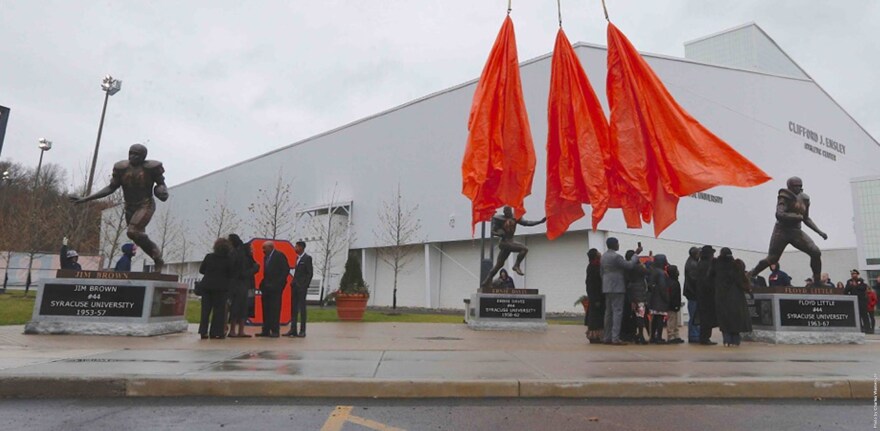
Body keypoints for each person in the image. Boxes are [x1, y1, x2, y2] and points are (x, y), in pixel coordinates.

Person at [70, 144, 169, 271]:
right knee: (135, 236)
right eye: (131, 153)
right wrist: (86, 198)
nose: (133, 156)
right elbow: (111, 188)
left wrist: (161, 191)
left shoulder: (151, 168)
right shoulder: (121, 168)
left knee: (133, 231)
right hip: (129, 206)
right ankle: (156, 257)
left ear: (144, 157)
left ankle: (157, 256)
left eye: (137, 154)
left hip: (145, 204)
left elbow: (161, 184)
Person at [749, 177, 827, 286]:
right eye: (796, 186)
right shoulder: (784, 197)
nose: (799, 188)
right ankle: (751, 275)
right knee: (773, 258)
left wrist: (819, 231)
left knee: (815, 252)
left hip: (796, 231)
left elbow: (806, 218)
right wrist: (795, 217)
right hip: (782, 231)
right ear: (789, 187)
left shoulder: (805, 199)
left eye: (800, 186)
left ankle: (817, 282)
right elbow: (779, 214)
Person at [481, 206, 546, 286]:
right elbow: (493, 231)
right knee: (524, 249)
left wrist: (539, 222)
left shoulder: (515, 218)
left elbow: (527, 223)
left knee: (499, 265)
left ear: (511, 211)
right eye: (505, 212)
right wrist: (499, 233)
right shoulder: (498, 219)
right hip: (504, 242)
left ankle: (486, 281)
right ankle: (516, 265)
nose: (507, 213)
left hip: (510, 241)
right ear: (504, 212)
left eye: (508, 211)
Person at [601, 237, 643, 345]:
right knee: (617, 312)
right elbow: (629, 265)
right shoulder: (616, 257)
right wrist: (635, 254)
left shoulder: (603, 257)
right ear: (614, 244)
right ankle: (615, 338)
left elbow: (601, 272)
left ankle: (607, 337)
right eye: (618, 243)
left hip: (607, 286)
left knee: (608, 313)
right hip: (617, 287)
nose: (618, 245)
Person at [712, 249, 753, 347]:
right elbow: (741, 280)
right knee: (736, 319)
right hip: (736, 296)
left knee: (724, 319)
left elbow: (710, 277)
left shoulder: (716, 265)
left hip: (721, 296)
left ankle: (726, 340)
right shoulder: (736, 265)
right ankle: (735, 341)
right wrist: (748, 289)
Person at [198, 238, 235, 339]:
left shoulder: (209, 257)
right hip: (221, 288)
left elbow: (201, 270)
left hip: (207, 287)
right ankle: (216, 332)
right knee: (219, 311)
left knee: (205, 310)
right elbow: (231, 274)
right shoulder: (229, 259)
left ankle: (203, 331)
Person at [257, 241, 289, 338]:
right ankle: (266, 330)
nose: (263, 250)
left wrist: (278, 284)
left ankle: (275, 330)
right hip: (266, 288)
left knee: (274, 309)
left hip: (275, 288)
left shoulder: (279, 256)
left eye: (264, 248)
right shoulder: (266, 257)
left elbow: (285, 270)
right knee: (266, 309)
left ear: (270, 247)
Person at [227, 234, 257, 338]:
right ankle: (238, 331)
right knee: (240, 308)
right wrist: (255, 269)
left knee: (238, 308)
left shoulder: (234, 254)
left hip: (237, 285)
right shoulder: (242, 256)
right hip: (241, 285)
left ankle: (234, 330)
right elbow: (243, 273)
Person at [285, 241, 313, 338]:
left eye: (296, 247)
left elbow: (309, 273)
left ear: (301, 247)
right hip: (295, 286)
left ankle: (302, 330)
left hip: (301, 287)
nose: (295, 248)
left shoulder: (307, 258)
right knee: (293, 308)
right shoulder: (297, 258)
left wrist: (305, 285)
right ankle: (293, 329)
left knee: (302, 308)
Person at [624, 250, 648, 344]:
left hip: (632, 293)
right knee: (640, 315)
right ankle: (641, 336)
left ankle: (634, 334)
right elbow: (647, 271)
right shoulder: (638, 268)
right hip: (639, 294)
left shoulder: (627, 268)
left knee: (635, 315)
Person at [696, 245, 718, 345]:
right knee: (707, 317)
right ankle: (705, 338)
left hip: (701, 293)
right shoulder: (709, 265)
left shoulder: (699, 264)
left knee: (703, 317)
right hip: (708, 294)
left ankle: (703, 337)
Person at [647, 254, 671, 344]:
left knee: (654, 319)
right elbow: (663, 287)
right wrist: (666, 298)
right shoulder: (661, 273)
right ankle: (659, 337)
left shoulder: (653, 271)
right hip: (660, 299)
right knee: (660, 319)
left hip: (653, 298)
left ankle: (652, 336)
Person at [585, 248, 604, 344]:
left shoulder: (597, 265)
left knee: (598, 316)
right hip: (596, 295)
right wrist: (595, 298)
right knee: (595, 317)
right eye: (598, 252)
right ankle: (594, 336)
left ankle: (598, 335)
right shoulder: (593, 267)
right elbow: (592, 284)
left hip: (598, 295)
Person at [683, 247, 701, 343]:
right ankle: (694, 335)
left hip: (690, 293)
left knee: (693, 315)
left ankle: (694, 334)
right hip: (693, 293)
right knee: (694, 315)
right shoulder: (693, 264)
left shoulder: (690, 262)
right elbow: (694, 280)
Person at [844, 269, 870, 333]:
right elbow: (846, 291)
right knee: (857, 316)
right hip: (854, 301)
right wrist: (851, 286)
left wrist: (855, 286)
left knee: (864, 315)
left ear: (857, 274)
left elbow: (863, 288)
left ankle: (868, 328)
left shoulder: (861, 281)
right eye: (852, 274)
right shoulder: (849, 281)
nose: (853, 275)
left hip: (862, 301)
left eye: (854, 274)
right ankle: (860, 328)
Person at [666, 264, 685, 344]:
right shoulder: (673, 282)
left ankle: (676, 335)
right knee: (672, 320)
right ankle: (671, 336)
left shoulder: (672, 281)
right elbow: (673, 295)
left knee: (675, 320)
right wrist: (675, 304)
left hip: (674, 304)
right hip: (672, 305)